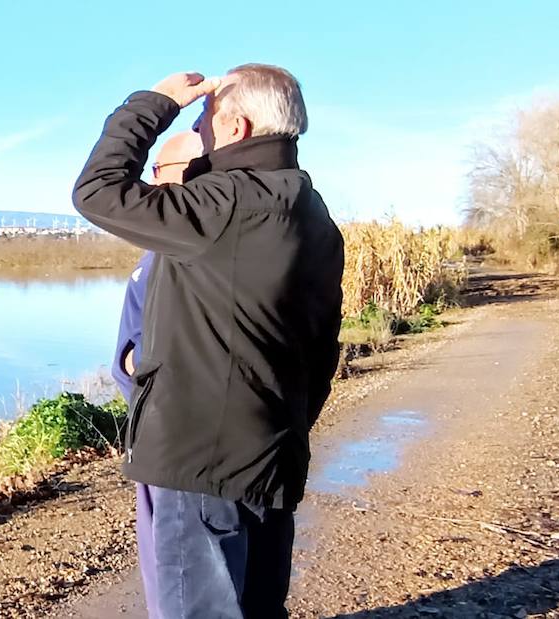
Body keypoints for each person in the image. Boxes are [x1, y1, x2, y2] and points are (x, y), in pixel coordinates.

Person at [74, 64, 345, 618]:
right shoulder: (312, 212)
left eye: (203, 120)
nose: (198, 133)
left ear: (237, 125)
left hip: (203, 456)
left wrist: (154, 102)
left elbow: (98, 191)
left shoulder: (225, 203)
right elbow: (323, 348)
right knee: (257, 604)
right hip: (271, 447)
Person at [109, 129, 202, 617]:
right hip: (159, 431)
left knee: (183, 583)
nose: (149, 182)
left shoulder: (190, 243)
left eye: (159, 172)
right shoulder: (172, 242)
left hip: (177, 441)